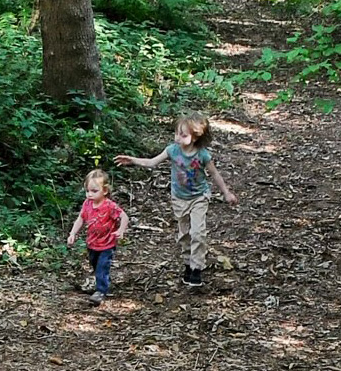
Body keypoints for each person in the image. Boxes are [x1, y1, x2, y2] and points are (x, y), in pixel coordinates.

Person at [116, 115, 237, 288]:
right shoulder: (172, 150)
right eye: (177, 133)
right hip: (179, 199)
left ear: (195, 136)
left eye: (183, 135)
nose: (178, 138)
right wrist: (133, 160)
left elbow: (214, 174)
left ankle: (196, 269)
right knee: (185, 234)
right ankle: (188, 264)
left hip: (199, 197)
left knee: (198, 232)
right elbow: (152, 162)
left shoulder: (202, 155)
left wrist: (226, 193)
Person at [65, 168, 129, 308]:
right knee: (95, 264)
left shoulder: (109, 206)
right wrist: (73, 233)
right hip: (92, 243)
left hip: (107, 244)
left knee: (102, 266)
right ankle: (103, 281)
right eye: (88, 191)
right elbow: (80, 219)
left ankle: (101, 291)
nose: (90, 194)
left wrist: (121, 230)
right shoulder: (87, 204)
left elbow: (124, 216)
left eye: (94, 191)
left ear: (104, 191)